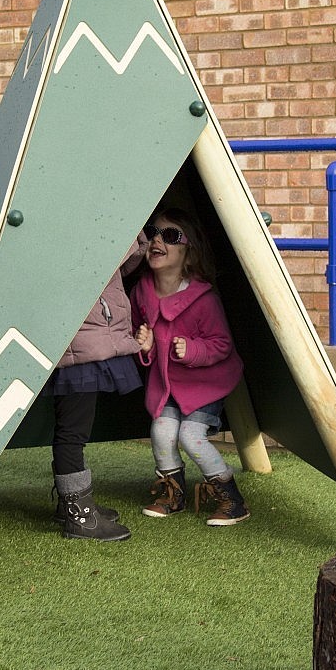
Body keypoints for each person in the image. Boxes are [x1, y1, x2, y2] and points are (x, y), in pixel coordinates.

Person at [130, 207, 250, 526]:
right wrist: (145, 346)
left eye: (170, 236)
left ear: (189, 251)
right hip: (168, 383)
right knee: (161, 431)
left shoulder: (203, 298)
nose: (158, 240)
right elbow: (138, 334)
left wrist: (193, 349)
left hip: (203, 385)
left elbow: (222, 344)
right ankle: (173, 493)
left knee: (190, 436)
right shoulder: (141, 292)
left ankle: (232, 499)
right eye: (153, 232)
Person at [48, 235, 146, 542]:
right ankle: (80, 517)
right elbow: (112, 251)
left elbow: (128, 262)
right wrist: (129, 227)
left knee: (73, 432)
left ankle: (72, 505)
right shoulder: (83, 235)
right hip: (81, 346)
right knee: (72, 434)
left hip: (87, 342)